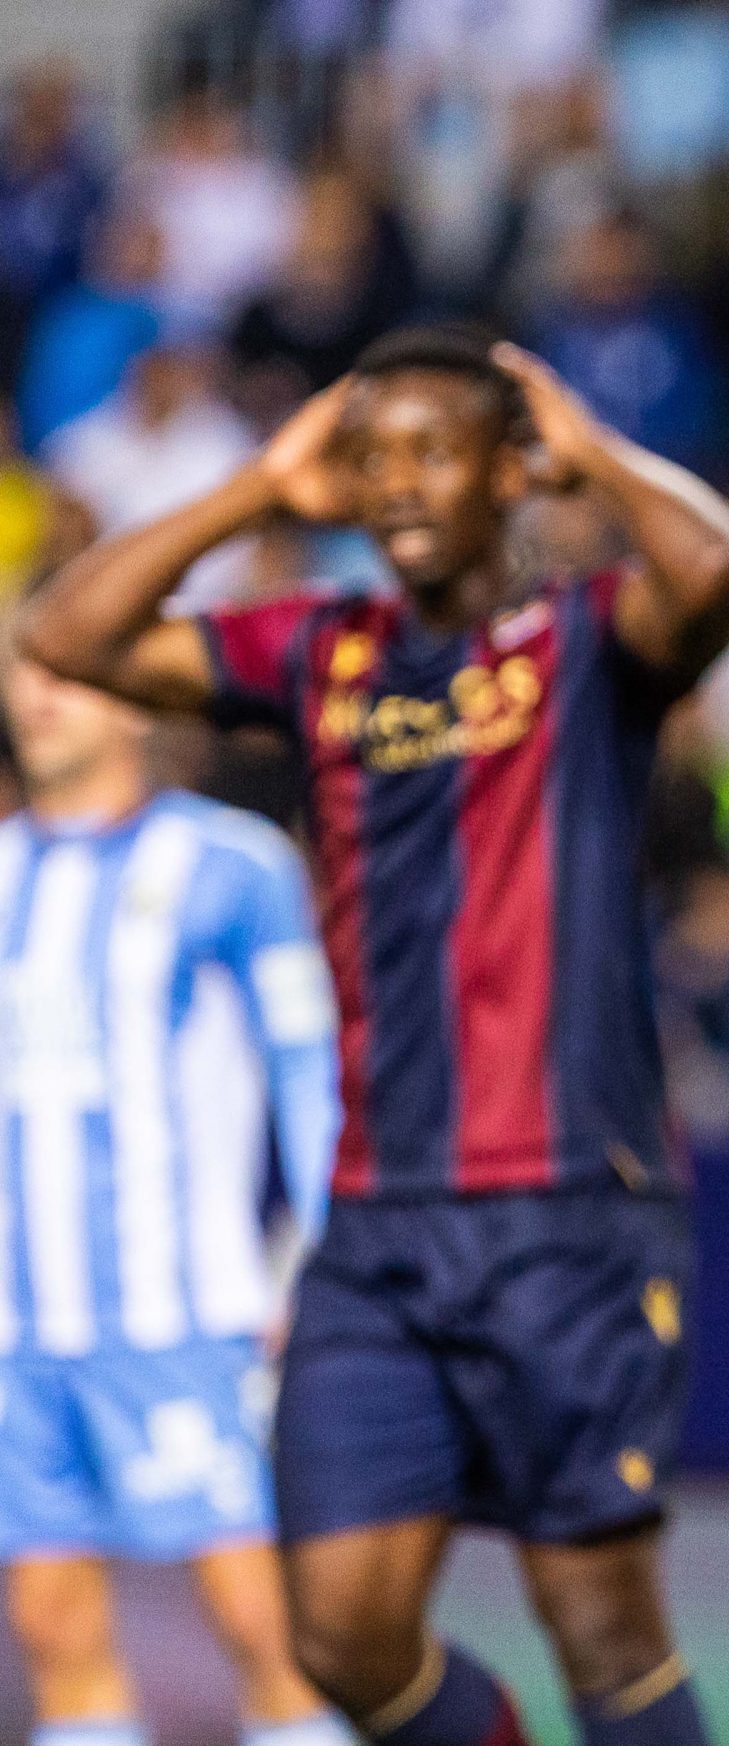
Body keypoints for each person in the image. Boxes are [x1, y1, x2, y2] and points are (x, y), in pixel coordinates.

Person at [15, 324, 729, 1746]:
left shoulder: (589, 640)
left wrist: (587, 444)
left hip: (569, 1212)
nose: (398, 482)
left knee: (600, 1624)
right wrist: (254, 495)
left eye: (433, 450)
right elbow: (67, 635)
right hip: (374, 1227)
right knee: (339, 1631)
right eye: (374, 456)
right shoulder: (318, 651)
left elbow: (720, 568)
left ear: (505, 472)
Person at [0, 654, 347, 1746]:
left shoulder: (233, 867)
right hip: (17, 1330)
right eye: (25, 673)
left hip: (185, 1317)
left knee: (264, 1629)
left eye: (72, 673)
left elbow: (310, 1075)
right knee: (54, 1633)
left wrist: (326, 1264)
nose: (43, 696)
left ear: (137, 702)